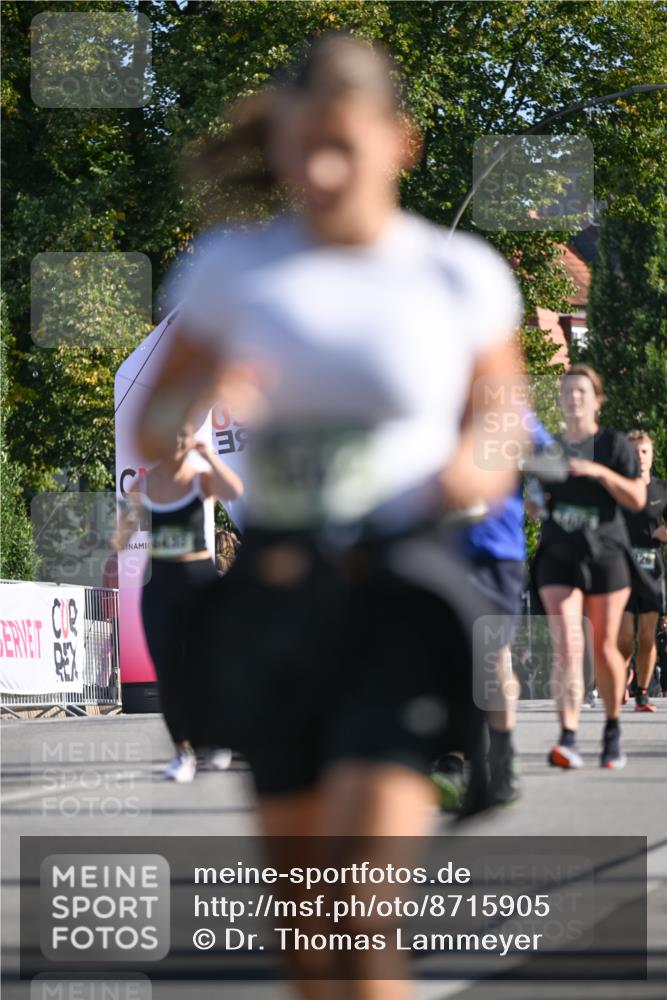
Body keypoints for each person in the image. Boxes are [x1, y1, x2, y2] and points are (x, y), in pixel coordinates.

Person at [137, 34, 526, 997]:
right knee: (310, 936)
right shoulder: (233, 274)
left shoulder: (455, 276)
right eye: (297, 147)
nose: (315, 172)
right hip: (278, 599)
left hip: (399, 593)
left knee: (357, 901)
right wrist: (190, 412)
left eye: (340, 147)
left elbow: (502, 422)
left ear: (400, 141)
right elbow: (152, 421)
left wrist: (460, 472)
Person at [432, 410, 554, 811]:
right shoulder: (425, 394)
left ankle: (501, 759)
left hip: (494, 554)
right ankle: (450, 761)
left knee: (492, 657)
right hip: (434, 549)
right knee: (441, 655)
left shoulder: (505, 406)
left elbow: (554, 462)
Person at [115, 423, 243, 781]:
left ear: (189, 441)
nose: (173, 442)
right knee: (168, 671)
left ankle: (217, 742)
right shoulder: (143, 485)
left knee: (206, 666)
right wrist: (121, 527)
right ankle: (182, 752)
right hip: (159, 585)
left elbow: (235, 489)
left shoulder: (201, 481)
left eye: (181, 436)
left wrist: (209, 460)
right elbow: (122, 538)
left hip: (198, 582)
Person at [534, 365, 646, 770]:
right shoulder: (549, 451)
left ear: (596, 400)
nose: (573, 397)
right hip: (559, 552)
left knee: (603, 646)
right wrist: (533, 504)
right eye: (566, 391)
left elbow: (636, 498)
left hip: (606, 553)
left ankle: (613, 730)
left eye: (581, 391)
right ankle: (567, 737)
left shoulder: (614, 445)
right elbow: (535, 501)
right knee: (567, 642)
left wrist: (598, 472)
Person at [617, 431, 667, 712]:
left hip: (652, 571)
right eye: (634, 452)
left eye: (644, 451)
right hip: (621, 571)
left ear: (651, 455)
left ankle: (643, 693)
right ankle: (623, 675)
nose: (640, 457)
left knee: (647, 637)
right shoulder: (617, 489)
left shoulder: (662, 489)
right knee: (624, 637)